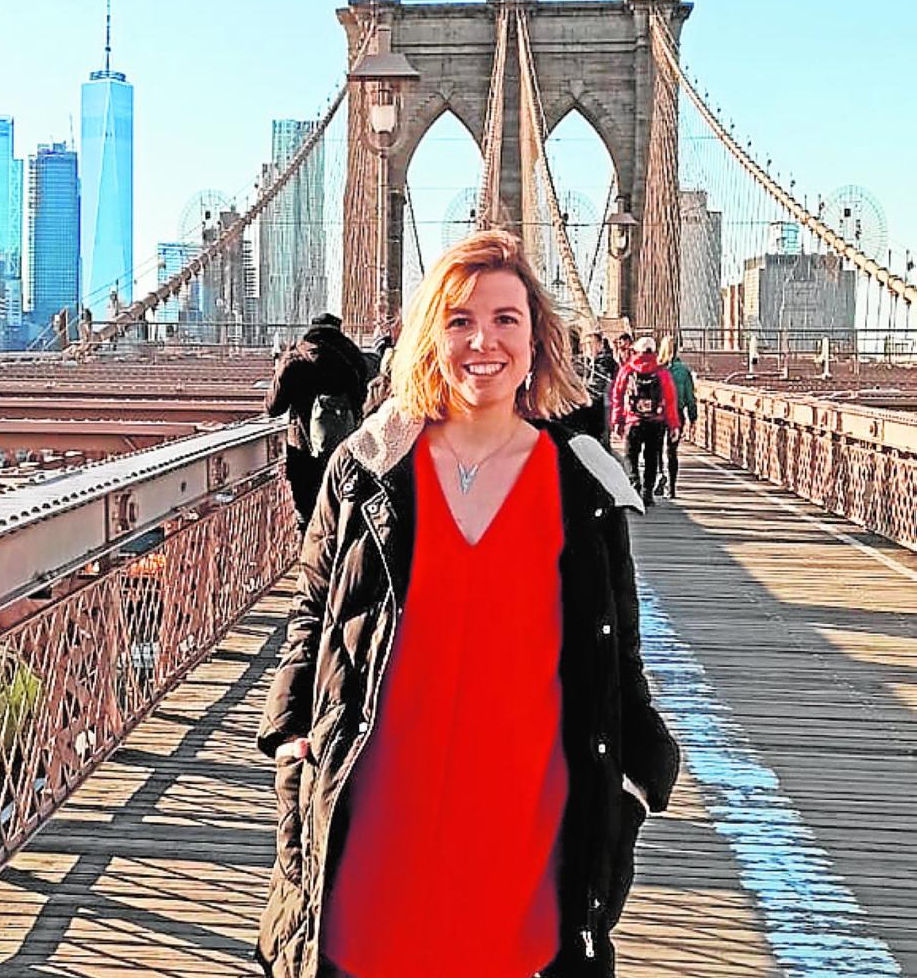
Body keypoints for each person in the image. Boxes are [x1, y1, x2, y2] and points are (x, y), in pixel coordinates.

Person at [256, 231, 680, 978]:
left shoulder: (582, 482)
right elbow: (312, 613)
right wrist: (291, 737)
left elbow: (619, 641)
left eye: (505, 319)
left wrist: (639, 777)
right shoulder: (367, 467)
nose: (483, 340)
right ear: (431, 336)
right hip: (378, 819)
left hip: (526, 829)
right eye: (459, 320)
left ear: (536, 338)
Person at [265, 313, 370, 530]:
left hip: (303, 452)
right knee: (342, 515)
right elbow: (365, 403)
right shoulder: (354, 359)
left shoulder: (294, 359)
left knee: (307, 518)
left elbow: (273, 408)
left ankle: (311, 558)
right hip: (346, 452)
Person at [610, 336, 680, 507]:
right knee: (651, 458)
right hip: (656, 421)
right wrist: (674, 425)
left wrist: (617, 421)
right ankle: (648, 493)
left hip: (633, 421)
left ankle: (634, 482)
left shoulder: (627, 370)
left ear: (636, 351)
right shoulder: (662, 373)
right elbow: (671, 401)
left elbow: (617, 396)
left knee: (630, 456)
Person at [658, 335, 697, 498]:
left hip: (659, 414)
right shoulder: (683, 371)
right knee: (672, 451)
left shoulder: (658, 369)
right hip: (677, 414)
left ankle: (661, 478)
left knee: (657, 449)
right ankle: (672, 487)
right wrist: (693, 416)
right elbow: (689, 396)